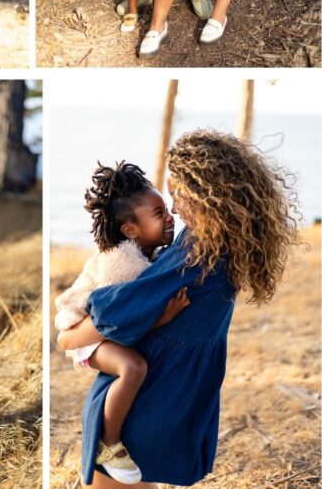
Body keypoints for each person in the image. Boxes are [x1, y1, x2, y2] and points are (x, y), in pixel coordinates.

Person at [57, 130, 298, 487]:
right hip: (166, 392)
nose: (174, 208)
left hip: (150, 398)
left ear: (207, 195)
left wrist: (68, 336)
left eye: (178, 196)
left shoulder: (195, 254)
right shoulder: (225, 243)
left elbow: (113, 312)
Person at [53, 162, 188, 484]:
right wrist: (163, 319)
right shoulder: (123, 264)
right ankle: (109, 443)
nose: (170, 216)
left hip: (100, 333)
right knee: (133, 368)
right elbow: (123, 321)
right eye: (159, 213)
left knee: (135, 366)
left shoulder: (146, 253)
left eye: (167, 209)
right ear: (130, 230)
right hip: (88, 337)